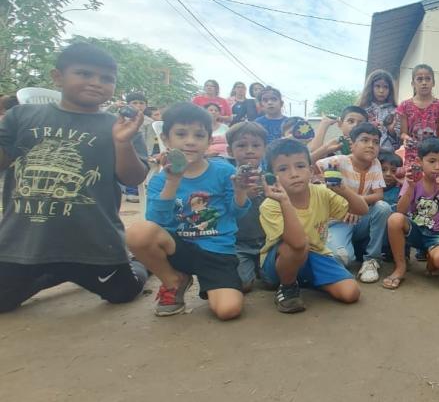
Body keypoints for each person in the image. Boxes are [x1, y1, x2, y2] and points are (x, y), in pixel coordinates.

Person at [0, 43, 148, 313]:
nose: (95, 83)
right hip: (23, 243)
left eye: (106, 79)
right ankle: (56, 273)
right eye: (84, 73)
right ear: (58, 77)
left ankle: (141, 263)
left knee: (123, 292)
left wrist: (123, 143)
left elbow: (132, 178)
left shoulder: (119, 127)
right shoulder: (22, 116)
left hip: (94, 244)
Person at [126, 103, 251, 320]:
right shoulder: (160, 180)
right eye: (181, 134)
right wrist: (173, 182)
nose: (190, 141)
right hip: (179, 248)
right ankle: (173, 281)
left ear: (209, 141)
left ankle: (219, 281)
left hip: (217, 251)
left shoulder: (224, 171)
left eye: (199, 135)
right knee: (138, 233)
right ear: (166, 139)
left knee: (228, 310)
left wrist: (241, 192)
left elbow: (237, 213)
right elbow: (156, 222)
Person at [258, 139, 367, 313]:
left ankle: (305, 279)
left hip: (316, 254)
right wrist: (284, 201)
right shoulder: (271, 204)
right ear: (272, 176)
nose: (294, 174)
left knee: (350, 293)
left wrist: (342, 189)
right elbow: (298, 242)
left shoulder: (321, 192)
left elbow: (361, 210)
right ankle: (287, 287)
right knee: (296, 248)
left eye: (300, 166)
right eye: (283, 169)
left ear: (310, 170)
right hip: (280, 261)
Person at [383, 138, 439, 289]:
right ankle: (400, 267)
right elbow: (401, 210)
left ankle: (431, 260)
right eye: (432, 161)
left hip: (437, 234)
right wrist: (411, 188)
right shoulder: (413, 179)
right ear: (420, 162)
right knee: (395, 219)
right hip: (415, 230)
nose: (438, 167)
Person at [317, 123, 391, 283]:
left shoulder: (375, 164)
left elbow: (379, 196)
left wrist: (355, 204)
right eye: (365, 140)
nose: (371, 145)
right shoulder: (339, 161)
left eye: (376, 142)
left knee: (383, 208)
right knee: (342, 258)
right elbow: (312, 165)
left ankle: (372, 259)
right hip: (338, 221)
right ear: (352, 144)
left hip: (361, 218)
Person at [227, 121, 268, 292]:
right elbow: (225, 212)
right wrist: (242, 195)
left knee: (272, 283)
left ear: (264, 149)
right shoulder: (228, 179)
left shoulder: (270, 177)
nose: (249, 150)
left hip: (268, 242)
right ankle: (249, 268)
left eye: (256, 145)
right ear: (230, 151)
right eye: (242, 145)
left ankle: (261, 268)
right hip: (239, 243)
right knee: (243, 285)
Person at [397, 64, 439, 164]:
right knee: (412, 179)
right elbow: (403, 133)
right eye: (420, 79)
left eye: (428, 79)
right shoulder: (404, 106)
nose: (424, 83)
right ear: (413, 83)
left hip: (434, 157)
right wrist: (406, 138)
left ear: (433, 82)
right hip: (412, 155)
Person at [358, 69, 400, 153]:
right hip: (364, 153)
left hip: (388, 156)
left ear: (390, 90)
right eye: (377, 86)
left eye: (385, 87)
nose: (381, 91)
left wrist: (391, 131)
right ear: (371, 87)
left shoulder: (396, 112)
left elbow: (399, 142)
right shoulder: (362, 110)